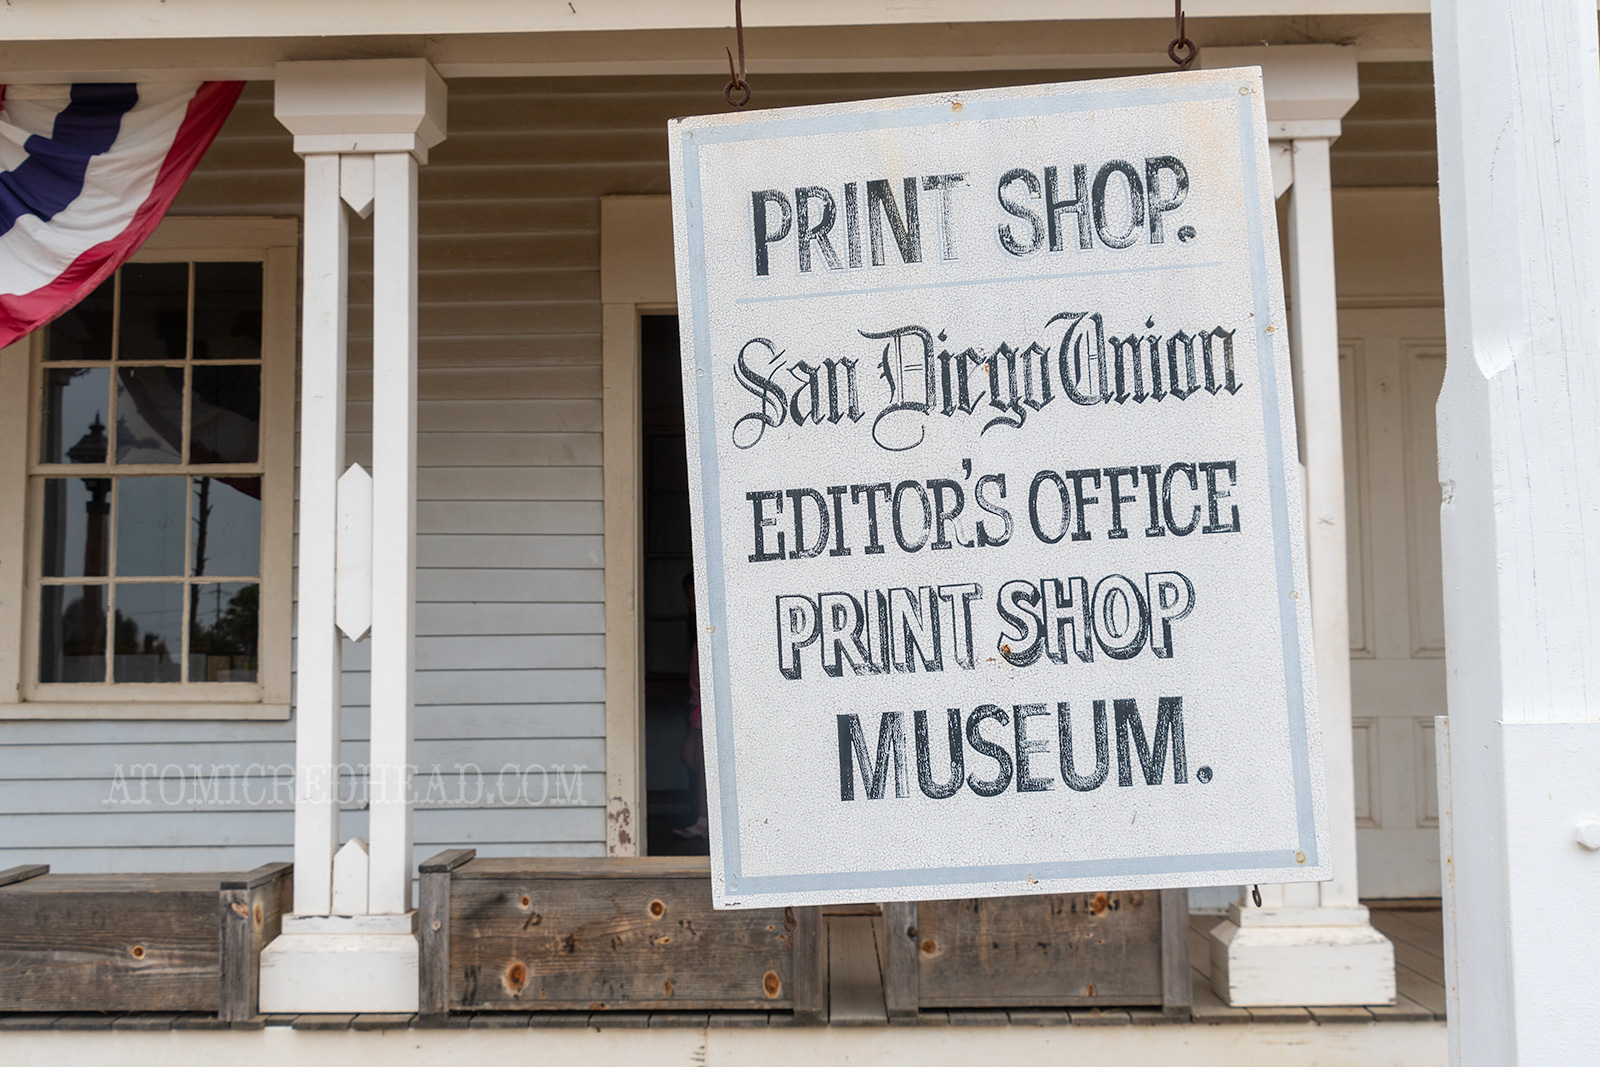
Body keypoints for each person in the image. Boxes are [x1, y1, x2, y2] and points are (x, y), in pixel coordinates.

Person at [673, 571, 710, 841]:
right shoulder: (695, 625)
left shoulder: (712, 624)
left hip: (707, 703)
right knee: (690, 756)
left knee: (702, 761)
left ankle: (704, 820)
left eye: (693, 594)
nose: (689, 601)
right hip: (697, 702)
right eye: (687, 596)